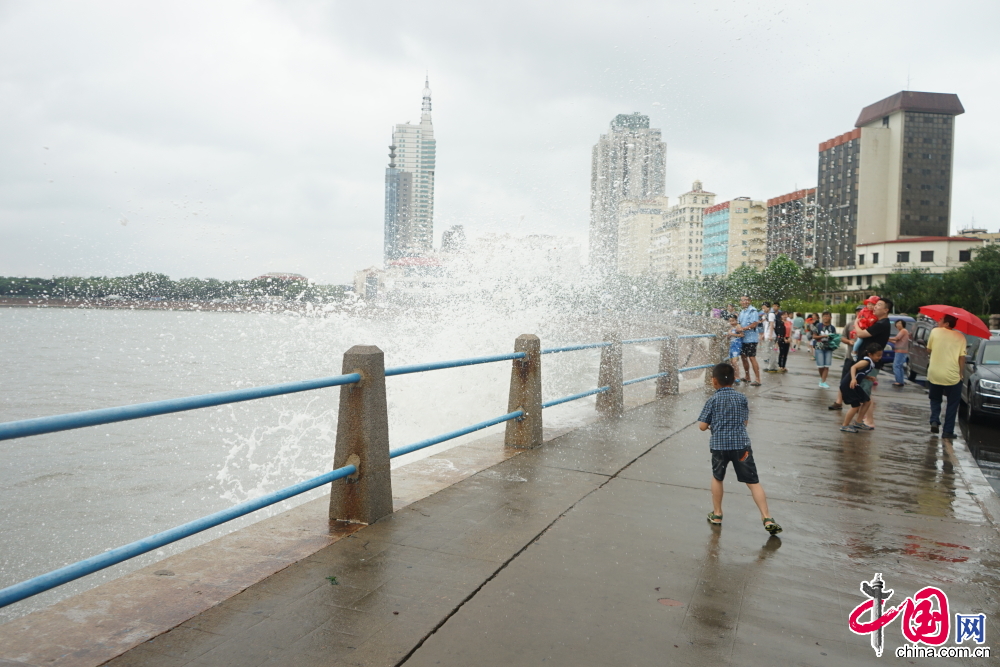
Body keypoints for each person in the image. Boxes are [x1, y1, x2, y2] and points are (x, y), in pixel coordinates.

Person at [698, 363, 782, 535]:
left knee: (717, 477)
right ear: (734, 379)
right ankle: (767, 517)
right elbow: (744, 422)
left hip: (719, 447)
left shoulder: (712, 400)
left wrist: (712, 426)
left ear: (714, 381)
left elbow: (702, 426)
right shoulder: (741, 398)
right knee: (753, 482)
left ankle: (717, 514)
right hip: (741, 447)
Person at [849, 298, 893, 430]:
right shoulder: (879, 322)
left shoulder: (882, 324)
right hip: (867, 360)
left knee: (865, 392)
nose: (875, 307)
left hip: (871, 363)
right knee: (863, 390)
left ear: (886, 310)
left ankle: (868, 420)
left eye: (879, 305)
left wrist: (856, 322)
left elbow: (861, 334)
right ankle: (863, 419)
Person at [926, 314, 967, 439]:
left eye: (940, 320)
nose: (938, 321)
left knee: (935, 399)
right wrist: (961, 373)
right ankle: (947, 431)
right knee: (952, 404)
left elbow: (929, 349)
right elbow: (962, 358)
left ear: (947, 324)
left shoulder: (935, 332)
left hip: (935, 373)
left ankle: (934, 420)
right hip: (952, 376)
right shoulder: (961, 337)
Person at [840, 343, 883, 433]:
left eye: (880, 355)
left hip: (854, 384)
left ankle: (858, 422)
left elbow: (860, 373)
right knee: (855, 406)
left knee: (867, 401)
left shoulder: (871, 362)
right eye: (878, 355)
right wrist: (853, 379)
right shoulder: (866, 361)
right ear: (870, 354)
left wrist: (867, 377)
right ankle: (845, 425)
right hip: (849, 384)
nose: (879, 357)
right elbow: (853, 367)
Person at [737, 295, 762, 386]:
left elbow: (754, 324)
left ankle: (758, 379)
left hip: (751, 339)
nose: (744, 302)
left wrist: (743, 329)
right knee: (743, 357)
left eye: (746, 300)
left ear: (750, 301)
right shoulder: (742, 312)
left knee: (752, 357)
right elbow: (739, 323)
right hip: (743, 338)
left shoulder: (753, 311)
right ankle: (747, 376)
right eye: (742, 300)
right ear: (740, 302)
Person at [812, 311, 837, 388]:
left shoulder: (832, 328)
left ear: (830, 318)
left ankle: (823, 381)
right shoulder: (818, 326)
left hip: (828, 348)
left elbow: (835, 338)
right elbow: (814, 336)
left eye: (827, 316)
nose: (826, 318)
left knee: (827, 366)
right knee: (820, 366)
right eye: (824, 316)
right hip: (819, 347)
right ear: (822, 317)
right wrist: (824, 336)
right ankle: (822, 379)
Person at [890, 320, 911, 387]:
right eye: (897, 323)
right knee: (900, 366)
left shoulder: (903, 331)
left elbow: (896, 338)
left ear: (903, 324)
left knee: (896, 365)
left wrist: (886, 339)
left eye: (900, 323)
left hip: (900, 351)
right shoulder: (904, 331)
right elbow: (898, 342)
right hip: (902, 351)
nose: (898, 325)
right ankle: (900, 381)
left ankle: (898, 381)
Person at [727, 315, 744, 383]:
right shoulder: (731, 328)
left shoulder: (738, 326)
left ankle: (737, 376)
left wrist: (732, 334)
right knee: (731, 362)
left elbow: (742, 335)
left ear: (736, 320)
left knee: (734, 361)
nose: (731, 322)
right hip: (732, 345)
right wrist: (728, 336)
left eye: (733, 321)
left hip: (737, 345)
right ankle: (733, 375)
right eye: (730, 321)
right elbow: (730, 337)